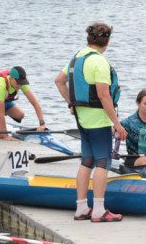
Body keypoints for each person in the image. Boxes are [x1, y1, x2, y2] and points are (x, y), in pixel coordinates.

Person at [54, 22, 127, 223]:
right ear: (108, 41)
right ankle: (99, 210)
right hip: (99, 121)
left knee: (87, 161)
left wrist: (71, 103)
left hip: (82, 120)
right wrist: (118, 124)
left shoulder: (76, 58)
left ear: (89, 39)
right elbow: (104, 96)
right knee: (103, 162)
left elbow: (59, 80)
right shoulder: (99, 62)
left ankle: (81, 208)